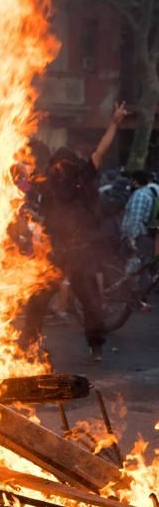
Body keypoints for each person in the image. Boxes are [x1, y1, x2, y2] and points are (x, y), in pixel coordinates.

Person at [19, 101, 129, 362]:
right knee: (38, 299)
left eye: (64, 164)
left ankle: (96, 347)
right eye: (56, 164)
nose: (60, 168)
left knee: (91, 302)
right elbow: (25, 178)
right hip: (55, 251)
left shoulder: (83, 178)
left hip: (81, 252)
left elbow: (100, 151)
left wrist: (113, 124)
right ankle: (28, 343)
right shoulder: (48, 185)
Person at [121, 170, 158, 308]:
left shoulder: (140, 195)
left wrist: (131, 238)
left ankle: (138, 299)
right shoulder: (150, 193)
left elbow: (135, 218)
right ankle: (142, 299)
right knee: (142, 268)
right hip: (145, 236)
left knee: (136, 268)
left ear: (135, 181)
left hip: (138, 236)